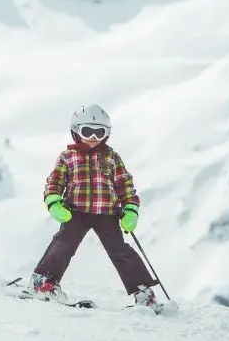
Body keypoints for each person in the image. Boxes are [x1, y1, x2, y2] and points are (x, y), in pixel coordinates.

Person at [28, 103, 163, 311]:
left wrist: (130, 209)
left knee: (120, 251)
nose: (93, 137)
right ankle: (44, 282)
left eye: (99, 132)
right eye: (87, 131)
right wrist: (54, 202)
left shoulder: (111, 157)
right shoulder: (68, 157)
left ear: (106, 134)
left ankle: (144, 292)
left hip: (107, 214)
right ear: (76, 132)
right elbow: (54, 183)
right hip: (75, 212)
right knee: (64, 244)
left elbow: (124, 185)